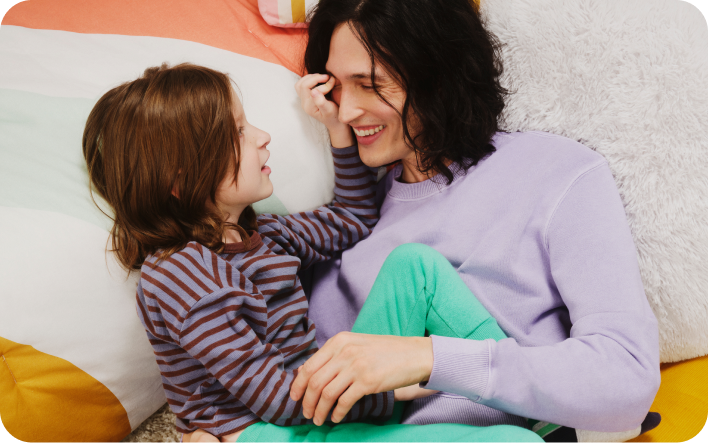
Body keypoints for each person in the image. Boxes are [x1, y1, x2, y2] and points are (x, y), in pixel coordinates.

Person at [82, 63, 543, 443]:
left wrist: (336, 129)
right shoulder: (180, 273)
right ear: (180, 180)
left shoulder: (263, 235)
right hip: (271, 429)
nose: (262, 136)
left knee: (414, 267)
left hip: (320, 405)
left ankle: (517, 384)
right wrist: (400, 384)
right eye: (238, 132)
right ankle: (511, 408)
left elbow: (353, 217)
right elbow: (278, 399)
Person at [288, 0, 661, 441]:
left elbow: (627, 378)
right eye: (335, 86)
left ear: (436, 76)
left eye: (370, 85)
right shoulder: (341, 227)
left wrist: (428, 358)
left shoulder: (558, 174)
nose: (347, 110)